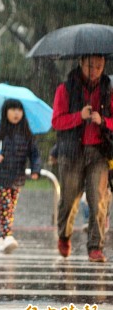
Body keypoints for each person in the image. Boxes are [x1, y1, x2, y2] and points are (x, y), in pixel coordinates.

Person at [52, 54, 111, 263]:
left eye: (99, 66)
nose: (94, 70)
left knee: (98, 199)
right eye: (90, 66)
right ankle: (64, 234)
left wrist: (103, 121)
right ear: (80, 63)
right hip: (72, 151)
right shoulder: (65, 89)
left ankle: (95, 246)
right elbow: (57, 121)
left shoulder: (109, 89)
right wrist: (80, 116)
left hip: (99, 152)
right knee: (69, 199)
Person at [0, 98, 41, 254]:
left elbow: (34, 154)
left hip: (18, 177)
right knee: (5, 205)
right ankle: (8, 235)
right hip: (0, 176)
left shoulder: (27, 134)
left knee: (10, 208)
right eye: (13, 110)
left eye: (19, 110)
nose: (16, 113)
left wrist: (36, 169)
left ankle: (2, 237)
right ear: (5, 112)